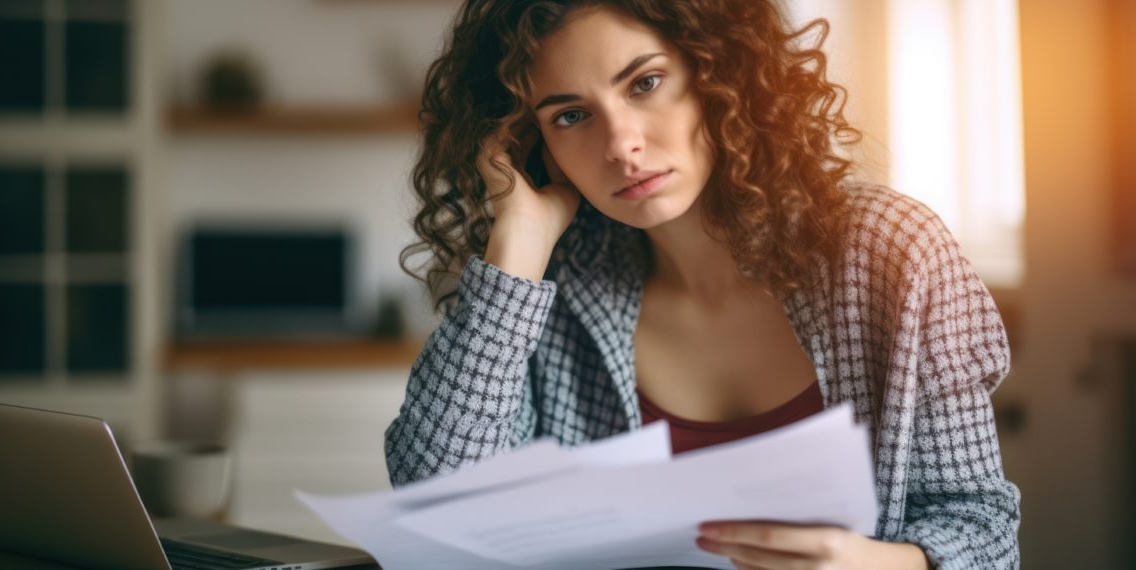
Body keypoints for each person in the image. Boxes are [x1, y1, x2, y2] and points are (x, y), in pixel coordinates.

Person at [385, 1, 1021, 568]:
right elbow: (435, 503)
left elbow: (984, 532)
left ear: (718, 74)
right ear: (534, 143)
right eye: (571, 116)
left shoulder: (891, 252)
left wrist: (880, 567)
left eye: (645, 83)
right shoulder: (553, 283)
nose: (621, 145)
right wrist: (518, 245)